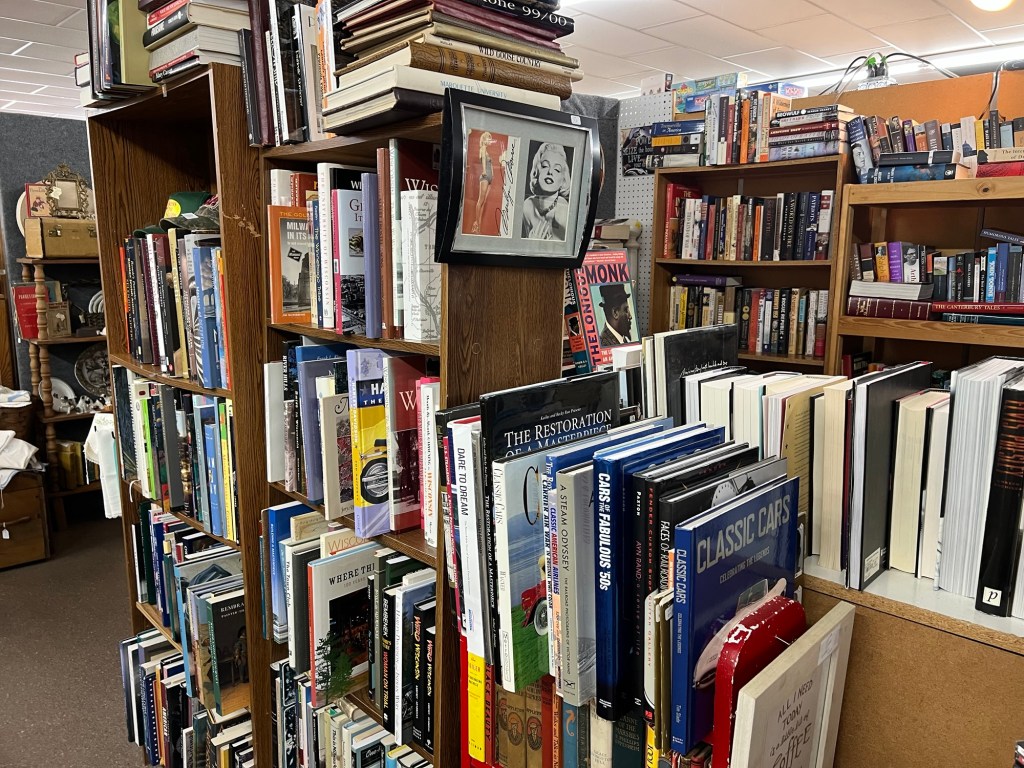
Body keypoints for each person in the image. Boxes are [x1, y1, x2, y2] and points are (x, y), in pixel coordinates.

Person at [522, 142, 571, 241]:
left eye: (557, 169)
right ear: (537, 171)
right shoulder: (527, 206)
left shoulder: (564, 210)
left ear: (563, 180)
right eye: (545, 166)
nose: (550, 172)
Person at [471, 131, 498, 234]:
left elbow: (490, 164)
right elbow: (483, 161)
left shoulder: (487, 151)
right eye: (489, 138)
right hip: (485, 176)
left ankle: (479, 226)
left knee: (483, 202)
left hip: (489, 177)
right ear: (485, 139)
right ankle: (476, 224)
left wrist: (492, 175)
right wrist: (484, 171)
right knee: (480, 201)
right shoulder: (483, 148)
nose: (490, 140)